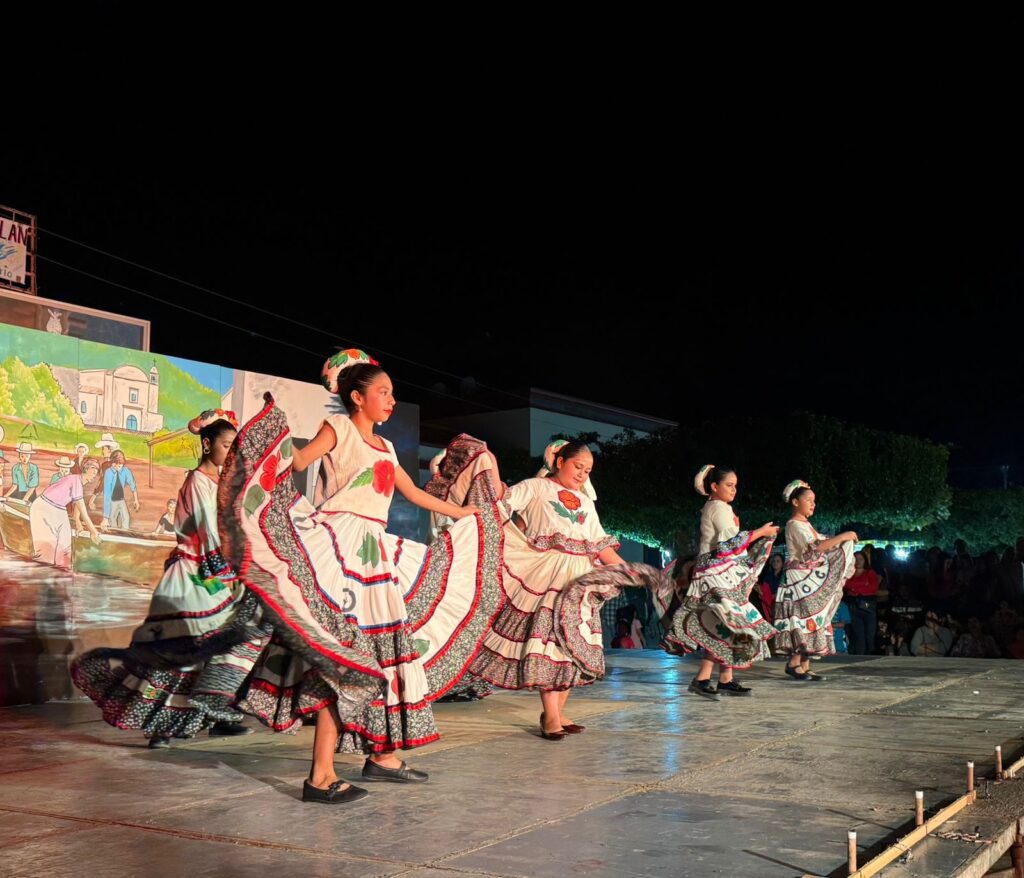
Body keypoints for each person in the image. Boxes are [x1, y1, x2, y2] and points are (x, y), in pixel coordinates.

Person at [71, 410, 270, 748]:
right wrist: (229, 571)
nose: (231, 453)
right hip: (196, 575)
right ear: (206, 444)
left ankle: (213, 714)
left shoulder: (222, 485)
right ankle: (161, 726)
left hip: (212, 573)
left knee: (224, 641)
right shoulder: (197, 482)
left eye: (235, 447)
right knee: (183, 649)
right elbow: (209, 534)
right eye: (226, 445)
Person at [660, 465, 778, 700]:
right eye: (729, 485)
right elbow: (730, 544)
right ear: (714, 487)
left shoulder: (720, 507)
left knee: (729, 624)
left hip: (721, 572)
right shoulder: (717, 507)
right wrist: (761, 532)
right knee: (727, 622)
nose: (734, 490)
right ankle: (705, 678)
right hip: (714, 574)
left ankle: (722, 678)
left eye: (735, 485)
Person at [30, 458, 102, 568]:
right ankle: (44, 576)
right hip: (43, 508)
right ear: (87, 469)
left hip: (59, 509)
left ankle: (63, 575)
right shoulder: (75, 480)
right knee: (45, 553)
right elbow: (82, 508)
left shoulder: (77, 483)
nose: (95, 474)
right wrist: (93, 531)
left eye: (96, 472)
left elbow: (78, 503)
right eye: (94, 471)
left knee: (64, 551)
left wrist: (77, 520)